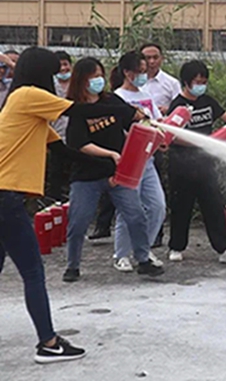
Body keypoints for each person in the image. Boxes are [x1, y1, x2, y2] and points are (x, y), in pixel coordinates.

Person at [0, 46, 134, 362]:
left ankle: (48, 341)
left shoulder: (27, 109)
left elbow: (64, 151)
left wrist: (110, 162)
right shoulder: (28, 95)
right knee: (33, 271)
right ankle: (49, 343)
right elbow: (79, 111)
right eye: (54, 73)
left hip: (5, 197)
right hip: (6, 198)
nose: (57, 80)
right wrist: (126, 112)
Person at [63, 57, 164, 282]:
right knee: (79, 222)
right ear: (82, 80)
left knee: (135, 216)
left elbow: (132, 121)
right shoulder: (76, 109)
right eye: (93, 77)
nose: (98, 80)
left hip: (118, 173)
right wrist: (110, 154)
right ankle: (72, 266)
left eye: (100, 75)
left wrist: (148, 128)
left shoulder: (111, 100)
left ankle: (143, 260)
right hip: (87, 176)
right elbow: (79, 144)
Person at [166, 60, 226, 264]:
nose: (201, 85)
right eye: (197, 82)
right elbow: (171, 135)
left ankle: (225, 249)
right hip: (182, 163)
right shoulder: (177, 105)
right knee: (181, 206)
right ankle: (176, 247)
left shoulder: (208, 101)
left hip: (205, 163)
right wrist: (199, 142)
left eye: (204, 81)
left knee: (214, 205)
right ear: (186, 82)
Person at [111, 52, 167, 272]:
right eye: (140, 71)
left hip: (148, 159)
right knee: (129, 209)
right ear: (127, 72)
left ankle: (143, 249)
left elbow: (157, 121)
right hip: (128, 161)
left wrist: (162, 136)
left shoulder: (146, 96)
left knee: (157, 206)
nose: (144, 75)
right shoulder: (117, 98)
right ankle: (121, 254)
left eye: (145, 71)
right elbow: (118, 130)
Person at [140, 42, 179, 248]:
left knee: (156, 188)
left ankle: (156, 233)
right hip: (135, 142)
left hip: (158, 142)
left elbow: (181, 109)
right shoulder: (135, 83)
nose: (151, 61)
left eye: (155, 57)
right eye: (147, 58)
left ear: (161, 58)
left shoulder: (170, 83)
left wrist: (167, 110)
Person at [46, 51, 73, 201]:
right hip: (56, 134)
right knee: (56, 169)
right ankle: (54, 198)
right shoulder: (50, 85)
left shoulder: (77, 84)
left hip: (74, 135)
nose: (63, 68)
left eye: (66, 64)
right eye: (60, 65)